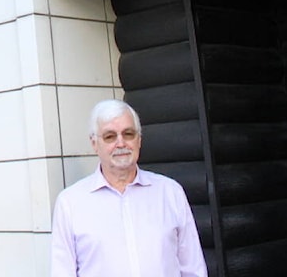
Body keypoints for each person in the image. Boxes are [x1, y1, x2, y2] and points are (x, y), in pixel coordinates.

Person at [50, 99, 207, 276]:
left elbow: (193, 268)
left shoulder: (170, 192)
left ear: (139, 140)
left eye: (128, 134)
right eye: (110, 136)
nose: (121, 143)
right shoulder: (70, 203)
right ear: (94, 144)